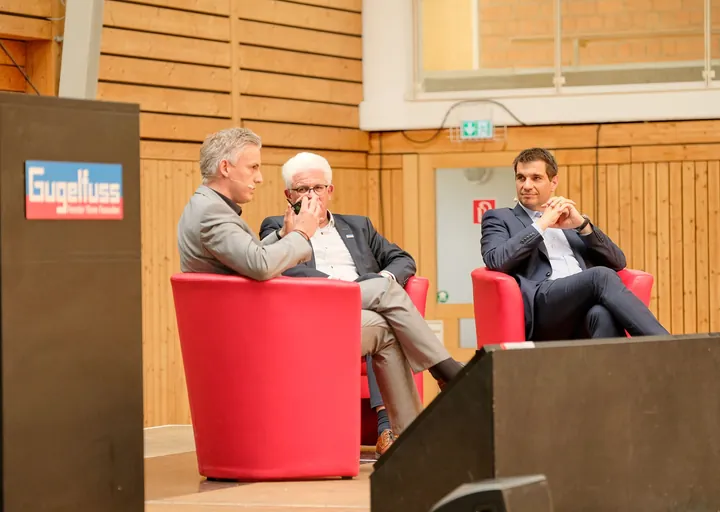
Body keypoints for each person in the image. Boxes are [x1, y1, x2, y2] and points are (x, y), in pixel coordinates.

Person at [259, 151, 463, 457]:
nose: (311, 195)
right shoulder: (277, 227)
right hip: (316, 313)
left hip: (358, 317)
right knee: (384, 291)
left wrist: (378, 280)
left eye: (318, 188)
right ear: (289, 196)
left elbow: (403, 259)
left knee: (386, 324)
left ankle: (412, 443)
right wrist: (354, 288)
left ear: (330, 190)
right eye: (302, 190)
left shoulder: (358, 226)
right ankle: (446, 370)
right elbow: (288, 269)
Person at [480, 147, 669, 342]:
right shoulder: (500, 217)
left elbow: (618, 262)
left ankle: (613, 372)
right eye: (521, 178)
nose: (526, 185)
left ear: (554, 182)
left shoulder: (569, 221)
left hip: (579, 309)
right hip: (543, 308)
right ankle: (664, 345)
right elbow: (496, 259)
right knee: (600, 276)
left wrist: (582, 225)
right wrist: (541, 224)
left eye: (536, 178)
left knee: (601, 315)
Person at [177, 127, 321, 279]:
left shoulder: (205, 203)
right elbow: (261, 265)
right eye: (253, 167)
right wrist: (302, 232)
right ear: (225, 168)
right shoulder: (212, 211)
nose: (259, 178)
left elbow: (249, 257)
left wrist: (282, 234)